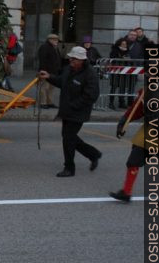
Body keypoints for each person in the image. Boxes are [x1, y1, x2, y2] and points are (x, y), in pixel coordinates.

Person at [38, 46, 101, 177]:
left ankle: (69, 168)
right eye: (70, 58)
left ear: (82, 60)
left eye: (74, 59)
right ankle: (93, 154)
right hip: (66, 110)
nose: (71, 60)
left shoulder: (90, 74)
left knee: (68, 139)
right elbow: (62, 82)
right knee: (69, 137)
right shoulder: (69, 69)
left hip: (78, 112)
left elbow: (91, 95)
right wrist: (49, 77)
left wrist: (74, 105)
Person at [109, 86, 159, 206]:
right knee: (133, 161)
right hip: (149, 132)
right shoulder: (145, 92)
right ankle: (126, 192)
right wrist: (122, 123)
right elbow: (135, 110)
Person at [37, 33, 61, 109]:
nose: (56, 41)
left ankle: (49, 102)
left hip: (53, 72)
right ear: (49, 40)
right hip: (46, 71)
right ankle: (43, 103)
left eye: (57, 40)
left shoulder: (55, 47)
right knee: (44, 88)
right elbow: (42, 60)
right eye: (54, 40)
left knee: (51, 88)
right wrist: (42, 71)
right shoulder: (44, 47)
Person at [108, 38, 131, 109]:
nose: (124, 45)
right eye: (123, 44)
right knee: (114, 87)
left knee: (122, 88)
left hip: (124, 72)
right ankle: (111, 103)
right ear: (119, 44)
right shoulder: (115, 50)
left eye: (125, 44)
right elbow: (112, 58)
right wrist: (121, 58)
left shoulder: (128, 51)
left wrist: (128, 59)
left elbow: (130, 59)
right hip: (115, 72)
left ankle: (121, 102)